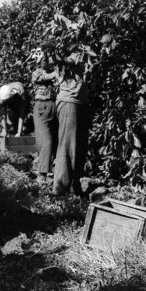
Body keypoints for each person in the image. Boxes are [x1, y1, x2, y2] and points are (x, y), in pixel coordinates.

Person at [52, 50, 91, 197]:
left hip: (80, 102)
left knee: (79, 146)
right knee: (67, 146)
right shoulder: (68, 51)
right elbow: (59, 60)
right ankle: (60, 190)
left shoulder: (83, 50)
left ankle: (74, 185)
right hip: (69, 101)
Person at [30, 50, 59, 184]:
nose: (46, 62)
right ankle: (42, 173)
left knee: (54, 141)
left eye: (48, 60)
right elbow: (46, 77)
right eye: (44, 60)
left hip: (54, 106)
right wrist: (58, 71)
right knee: (45, 141)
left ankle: (51, 171)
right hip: (42, 107)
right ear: (39, 62)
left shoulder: (53, 72)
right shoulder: (37, 73)